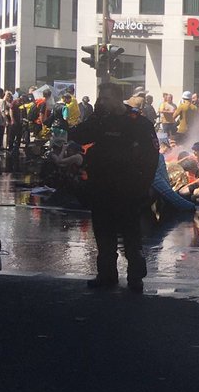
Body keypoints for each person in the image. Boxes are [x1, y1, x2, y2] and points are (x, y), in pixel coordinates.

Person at [68, 83, 160, 292]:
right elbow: (78, 136)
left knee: (131, 237)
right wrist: (94, 117)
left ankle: (135, 278)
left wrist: (143, 186)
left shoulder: (138, 122)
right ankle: (106, 274)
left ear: (118, 99)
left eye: (106, 98)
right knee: (103, 234)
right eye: (100, 98)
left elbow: (151, 158)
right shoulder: (101, 120)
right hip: (101, 187)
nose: (102, 102)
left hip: (128, 189)